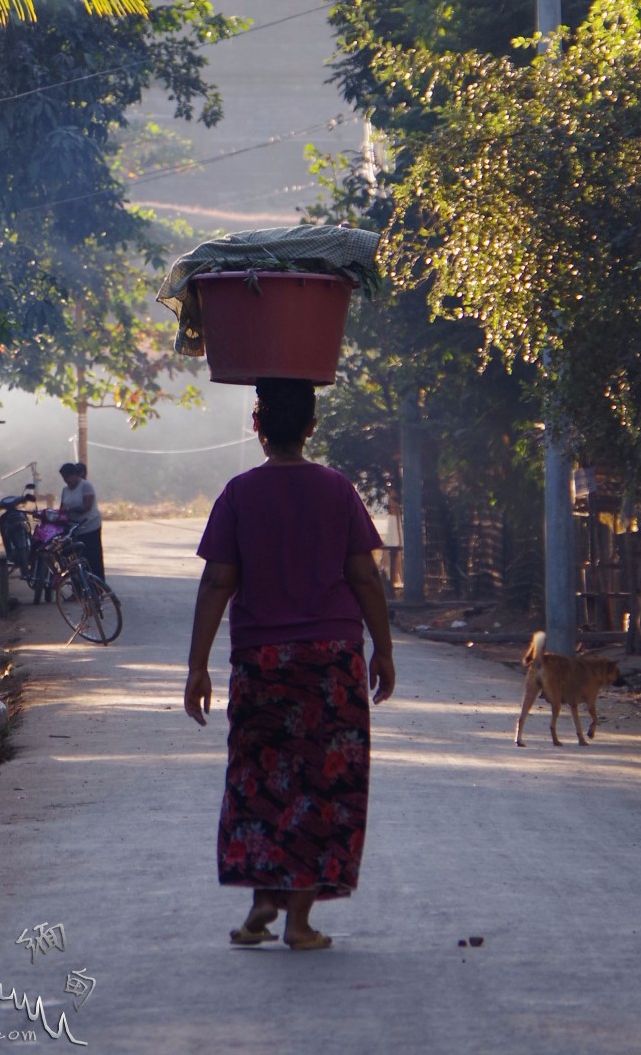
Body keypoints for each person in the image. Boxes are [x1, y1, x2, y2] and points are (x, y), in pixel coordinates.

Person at [183, 378, 395, 952]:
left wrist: (197, 664)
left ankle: (261, 903)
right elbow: (363, 576)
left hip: (262, 663)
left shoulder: (238, 495)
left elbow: (218, 580)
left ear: (258, 425)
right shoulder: (336, 490)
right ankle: (297, 921)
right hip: (332, 665)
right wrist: (385, 648)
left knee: (260, 779)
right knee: (323, 784)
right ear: (311, 426)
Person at [58, 461, 104, 580]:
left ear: (75, 475)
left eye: (68, 477)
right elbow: (62, 508)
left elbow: (86, 506)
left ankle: (97, 588)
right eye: (64, 478)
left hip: (89, 526)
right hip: (73, 528)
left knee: (92, 558)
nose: (67, 480)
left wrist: (69, 509)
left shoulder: (86, 486)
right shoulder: (65, 490)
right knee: (75, 561)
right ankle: (78, 590)